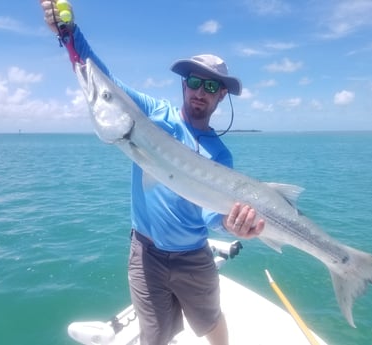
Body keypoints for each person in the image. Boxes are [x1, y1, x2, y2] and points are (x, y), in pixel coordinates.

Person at [40, 2, 265, 344]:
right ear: (184, 85)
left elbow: (210, 214)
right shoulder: (153, 114)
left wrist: (231, 224)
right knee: (154, 335)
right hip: (145, 254)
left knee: (210, 322)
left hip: (194, 256)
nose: (199, 91)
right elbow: (105, 82)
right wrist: (69, 33)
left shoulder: (220, 155)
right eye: (193, 81)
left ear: (222, 95)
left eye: (210, 86)